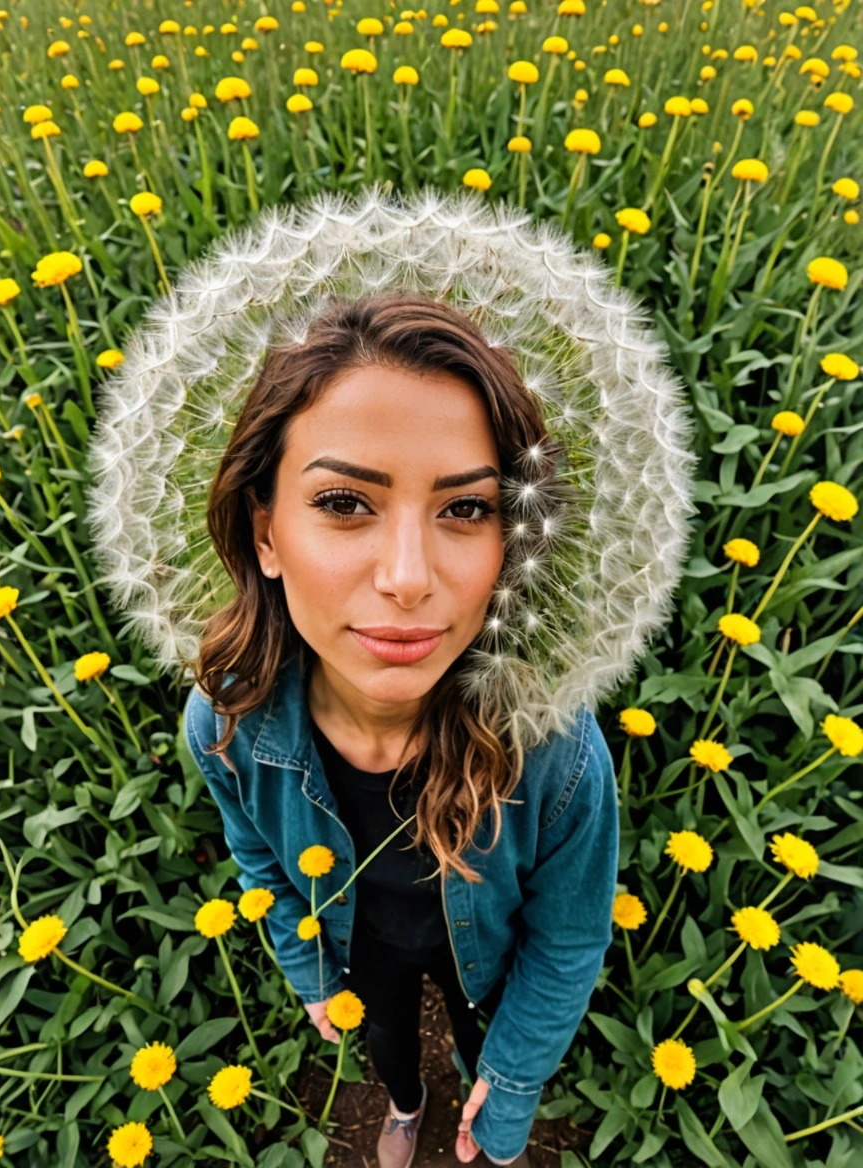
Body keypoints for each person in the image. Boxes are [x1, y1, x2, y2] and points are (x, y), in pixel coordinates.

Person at [182, 290, 620, 1167]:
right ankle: (409, 1104)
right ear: (265, 532)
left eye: (465, 509)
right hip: (358, 947)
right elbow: (258, 856)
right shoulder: (225, 723)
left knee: (478, 1034)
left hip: (483, 960)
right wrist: (308, 972)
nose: (410, 578)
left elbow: (569, 936)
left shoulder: (557, 751)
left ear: (516, 539)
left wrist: (515, 1081)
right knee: (387, 1045)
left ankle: (468, 1077)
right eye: (345, 502)